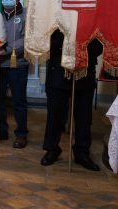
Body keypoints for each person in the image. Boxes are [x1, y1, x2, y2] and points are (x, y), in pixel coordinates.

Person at [42, 30, 102, 171]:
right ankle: (52, 149)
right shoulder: (56, 16)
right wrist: (68, 46)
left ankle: (82, 153)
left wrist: (81, 48)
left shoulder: (91, 18)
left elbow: (99, 46)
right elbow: (47, 41)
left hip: (84, 72)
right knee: (55, 115)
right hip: (58, 71)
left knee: (84, 117)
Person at [0, 0, 29, 148]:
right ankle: (0, 130)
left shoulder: (26, 14)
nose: (8, 0)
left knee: (19, 101)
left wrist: (7, 50)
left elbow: (27, 39)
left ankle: (21, 134)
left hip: (16, 64)